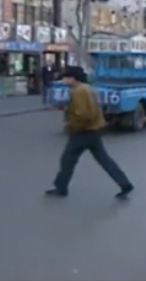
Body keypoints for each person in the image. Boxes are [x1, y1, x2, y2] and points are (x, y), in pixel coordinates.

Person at [45, 66, 134, 199]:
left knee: (68, 159)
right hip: (94, 129)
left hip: (83, 131)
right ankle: (124, 183)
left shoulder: (78, 92)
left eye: (65, 78)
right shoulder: (87, 89)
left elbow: (84, 115)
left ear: (72, 78)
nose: (63, 81)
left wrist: (72, 126)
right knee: (104, 160)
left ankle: (61, 187)